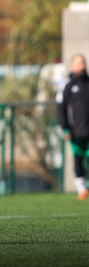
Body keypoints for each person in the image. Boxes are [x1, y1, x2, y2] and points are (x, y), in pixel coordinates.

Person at [56, 54, 89, 200]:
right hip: (76, 131)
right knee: (78, 159)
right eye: (78, 63)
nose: (81, 66)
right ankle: (81, 189)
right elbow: (60, 107)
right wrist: (65, 128)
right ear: (72, 65)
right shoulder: (67, 84)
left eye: (83, 63)